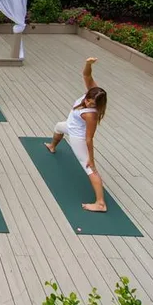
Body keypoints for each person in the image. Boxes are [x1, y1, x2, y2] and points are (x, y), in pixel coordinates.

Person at [44, 57, 109, 212]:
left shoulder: (91, 115)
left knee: (89, 168)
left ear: (98, 104)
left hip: (77, 137)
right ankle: (52, 146)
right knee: (58, 127)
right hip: (69, 125)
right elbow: (87, 75)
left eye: (92, 103)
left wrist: (91, 159)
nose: (88, 103)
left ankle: (100, 203)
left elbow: (89, 138)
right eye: (88, 100)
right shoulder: (93, 91)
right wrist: (88, 64)